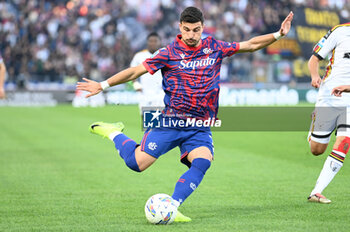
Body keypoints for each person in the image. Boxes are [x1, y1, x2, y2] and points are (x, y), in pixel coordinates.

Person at [77, 7, 293, 221]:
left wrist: (278, 34)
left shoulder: (214, 47)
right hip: (171, 122)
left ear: (202, 28)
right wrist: (103, 85)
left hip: (199, 126)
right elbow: (135, 71)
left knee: (203, 162)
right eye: (187, 30)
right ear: (180, 27)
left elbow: (251, 45)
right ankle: (114, 132)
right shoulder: (167, 53)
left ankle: (172, 206)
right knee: (137, 164)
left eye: (196, 30)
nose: (191, 35)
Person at [307, 23, 350, 204]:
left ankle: (317, 192)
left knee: (345, 141)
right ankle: (314, 125)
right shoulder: (340, 31)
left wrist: (347, 87)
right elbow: (314, 59)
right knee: (317, 150)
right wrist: (315, 76)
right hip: (329, 97)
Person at [130, 32, 164, 111]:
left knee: (158, 118)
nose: (153, 43)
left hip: (160, 92)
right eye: (151, 41)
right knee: (145, 118)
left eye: (155, 41)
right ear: (147, 42)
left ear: (159, 42)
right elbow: (132, 72)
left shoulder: (165, 55)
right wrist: (135, 84)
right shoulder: (139, 56)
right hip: (144, 92)